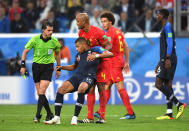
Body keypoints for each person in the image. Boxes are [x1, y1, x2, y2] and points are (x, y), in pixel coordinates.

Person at [44, 37, 113, 125]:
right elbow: (73, 66)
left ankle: (74, 118)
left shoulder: (95, 49)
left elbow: (110, 54)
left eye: (78, 46)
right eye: (76, 47)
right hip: (78, 76)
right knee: (60, 90)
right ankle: (57, 118)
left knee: (81, 89)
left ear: (84, 45)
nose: (76, 49)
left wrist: (96, 55)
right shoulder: (78, 55)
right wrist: (62, 67)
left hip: (89, 76)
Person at [93, 11, 136, 122]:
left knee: (119, 88)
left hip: (113, 63)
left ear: (110, 21)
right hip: (117, 61)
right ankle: (100, 112)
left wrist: (97, 54)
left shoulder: (110, 33)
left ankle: (131, 113)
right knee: (107, 86)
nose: (103, 24)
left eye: (105, 21)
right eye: (102, 21)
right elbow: (126, 47)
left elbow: (109, 49)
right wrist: (126, 62)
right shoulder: (118, 32)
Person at [20, 20, 61, 123]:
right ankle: (50, 114)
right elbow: (25, 51)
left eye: (52, 30)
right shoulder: (35, 39)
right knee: (40, 93)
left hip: (48, 67)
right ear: (43, 30)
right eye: (48, 30)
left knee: (42, 91)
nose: (51, 32)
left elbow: (57, 54)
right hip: (36, 67)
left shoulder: (55, 41)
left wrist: (59, 67)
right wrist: (23, 65)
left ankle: (37, 116)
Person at [75, 12, 112, 123]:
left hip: (101, 63)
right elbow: (82, 47)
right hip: (89, 64)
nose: (76, 23)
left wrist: (98, 54)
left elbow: (108, 45)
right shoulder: (81, 32)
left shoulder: (98, 32)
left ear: (85, 22)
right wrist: (79, 55)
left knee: (101, 87)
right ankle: (90, 117)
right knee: (90, 88)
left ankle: (102, 116)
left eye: (78, 21)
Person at [154, 9, 186, 120]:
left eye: (158, 14)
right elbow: (165, 45)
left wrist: (167, 58)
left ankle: (179, 104)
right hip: (167, 58)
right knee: (168, 85)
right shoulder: (165, 27)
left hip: (169, 58)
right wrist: (160, 62)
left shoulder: (167, 26)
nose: (157, 16)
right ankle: (169, 113)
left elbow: (170, 42)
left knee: (158, 84)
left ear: (162, 16)